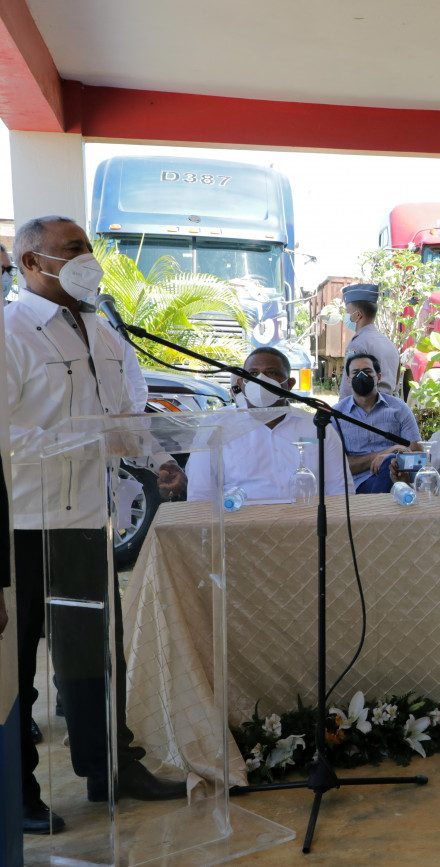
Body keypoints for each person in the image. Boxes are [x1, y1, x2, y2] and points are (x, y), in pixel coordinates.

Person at [6, 216, 189, 834]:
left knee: (95, 657)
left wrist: (158, 458)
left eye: (87, 246)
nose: (87, 257)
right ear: (32, 263)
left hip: (89, 521)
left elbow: (126, 414)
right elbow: (5, 436)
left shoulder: (104, 331)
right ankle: (16, 791)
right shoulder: (9, 333)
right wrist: (83, 443)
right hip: (23, 525)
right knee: (17, 667)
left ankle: (110, 766)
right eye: (72, 249)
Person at [186, 347, 353, 501]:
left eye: (271, 373)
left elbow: (340, 490)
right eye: (252, 373)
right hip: (238, 521)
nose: (260, 379)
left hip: (306, 519)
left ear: (289, 384)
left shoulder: (317, 427)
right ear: (241, 384)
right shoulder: (216, 425)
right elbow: (200, 495)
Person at [335, 353, 421, 493]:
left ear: (379, 377)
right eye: (356, 373)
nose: (361, 376)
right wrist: (386, 453)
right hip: (357, 486)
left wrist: (393, 458)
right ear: (348, 380)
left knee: (390, 464)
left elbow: (417, 454)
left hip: (398, 478)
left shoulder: (399, 409)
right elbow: (336, 465)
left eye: (367, 371)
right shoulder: (337, 415)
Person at [337, 282, 400, 398]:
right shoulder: (390, 344)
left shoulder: (357, 344)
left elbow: (348, 390)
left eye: (348, 312)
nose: (347, 316)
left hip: (365, 407)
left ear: (358, 315)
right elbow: (396, 387)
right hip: (389, 406)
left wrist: (341, 407)